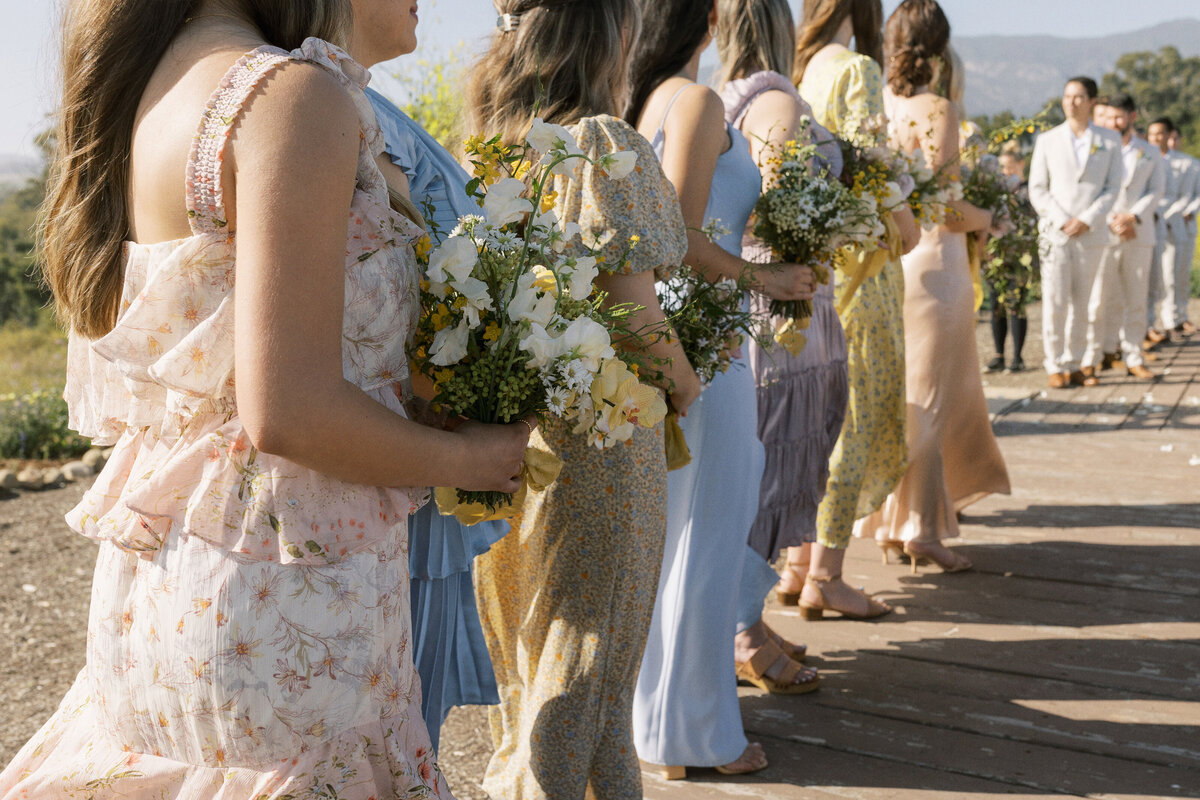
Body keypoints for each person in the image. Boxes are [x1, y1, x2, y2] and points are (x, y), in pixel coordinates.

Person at [0, 0, 537, 797]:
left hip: (170, 588)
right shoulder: (289, 98)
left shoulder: (158, 85)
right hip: (290, 601)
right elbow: (290, 410)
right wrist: (471, 457)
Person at [467, 2, 702, 797]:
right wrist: (685, 378)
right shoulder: (602, 141)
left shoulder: (490, 151)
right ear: (607, 37)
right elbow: (635, 310)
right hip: (604, 438)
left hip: (508, 440)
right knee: (591, 661)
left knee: (532, 658)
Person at [628, 0, 820, 781]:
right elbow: (675, 236)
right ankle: (699, 736)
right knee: (711, 529)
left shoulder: (648, 103)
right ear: (707, 20)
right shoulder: (698, 101)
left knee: (677, 533)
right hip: (706, 335)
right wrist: (766, 275)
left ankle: (662, 728)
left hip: (674, 330)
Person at [348, 16, 509, 752]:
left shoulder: (371, 106)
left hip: (424, 477)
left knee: (414, 742)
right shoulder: (328, 113)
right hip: (391, 481)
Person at [715, 0, 847, 690]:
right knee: (767, 473)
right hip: (781, 310)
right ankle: (738, 630)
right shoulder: (776, 102)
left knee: (757, 471)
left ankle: (746, 619)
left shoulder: (726, 99)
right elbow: (778, 198)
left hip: (760, 304)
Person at [854, 0, 1010, 570]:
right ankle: (919, 528)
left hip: (894, 265)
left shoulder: (877, 105)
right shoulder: (937, 108)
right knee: (935, 401)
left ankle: (899, 522)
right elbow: (946, 207)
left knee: (907, 396)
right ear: (940, 47)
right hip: (937, 268)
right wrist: (991, 218)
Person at [790, 0, 920, 620]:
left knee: (815, 416)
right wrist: (906, 219)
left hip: (816, 267)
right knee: (857, 416)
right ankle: (828, 573)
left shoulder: (799, 69)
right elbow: (868, 165)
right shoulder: (856, 68)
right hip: (865, 265)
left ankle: (793, 564)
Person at [1027, 76, 1123, 389]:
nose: (1071, 102)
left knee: (1084, 302)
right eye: (1067, 96)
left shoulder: (1108, 140)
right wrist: (1062, 218)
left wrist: (1087, 218)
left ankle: (1078, 362)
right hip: (1056, 233)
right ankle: (1055, 363)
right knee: (1055, 301)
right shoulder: (1047, 139)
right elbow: (1037, 188)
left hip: (1091, 233)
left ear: (1092, 101)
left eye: (1079, 96)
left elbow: (1112, 187)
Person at [1083, 92, 1164, 382]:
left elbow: (1156, 191)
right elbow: (1090, 192)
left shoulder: (1150, 152)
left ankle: (1133, 356)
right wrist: (1112, 219)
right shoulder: (1097, 148)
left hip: (1139, 233)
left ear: (1132, 117)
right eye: (1108, 116)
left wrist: (1133, 217)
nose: (1113, 122)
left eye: (1119, 116)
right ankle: (1093, 356)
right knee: (1099, 299)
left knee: (1136, 298)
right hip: (1103, 231)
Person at [985, 143, 1034, 373]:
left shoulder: (1029, 190)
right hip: (996, 253)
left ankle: (1018, 356)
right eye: (1002, 168)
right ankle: (998, 354)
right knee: (996, 304)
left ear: (1020, 165)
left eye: (1009, 167)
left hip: (1020, 253)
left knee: (1016, 304)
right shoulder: (995, 192)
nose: (1006, 172)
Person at [1164, 128, 1200, 340]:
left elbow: (1197, 194)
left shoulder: (1192, 163)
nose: (1170, 141)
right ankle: (1168, 319)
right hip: (1162, 224)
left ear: (1180, 139)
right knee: (1166, 275)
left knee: (1182, 274)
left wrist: (1190, 211)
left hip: (1185, 225)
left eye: (1174, 137)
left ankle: (1181, 315)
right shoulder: (1157, 161)